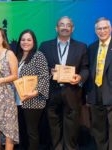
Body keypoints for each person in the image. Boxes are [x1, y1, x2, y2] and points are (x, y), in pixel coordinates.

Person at [39, 16, 89, 149]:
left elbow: (85, 68)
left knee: (72, 125)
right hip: (52, 90)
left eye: (68, 25)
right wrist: (49, 71)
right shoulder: (45, 46)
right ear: (56, 28)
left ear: (73, 29)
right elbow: (40, 67)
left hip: (72, 91)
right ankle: (57, 147)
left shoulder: (81, 46)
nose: (65, 27)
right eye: (62, 24)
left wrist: (80, 77)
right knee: (53, 125)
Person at [15, 29, 49, 150]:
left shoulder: (38, 56)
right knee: (21, 132)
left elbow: (44, 76)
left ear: (34, 41)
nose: (25, 42)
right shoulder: (17, 57)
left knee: (32, 132)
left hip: (34, 101)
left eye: (29, 40)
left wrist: (34, 93)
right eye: (23, 40)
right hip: (18, 101)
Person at [86, 17, 112, 150]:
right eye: (99, 29)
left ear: (110, 29)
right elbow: (88, 70)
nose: (102, 31)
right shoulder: (91, 48)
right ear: (95, 31)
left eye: (105, 28)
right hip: (95, 96)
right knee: (98, 130)